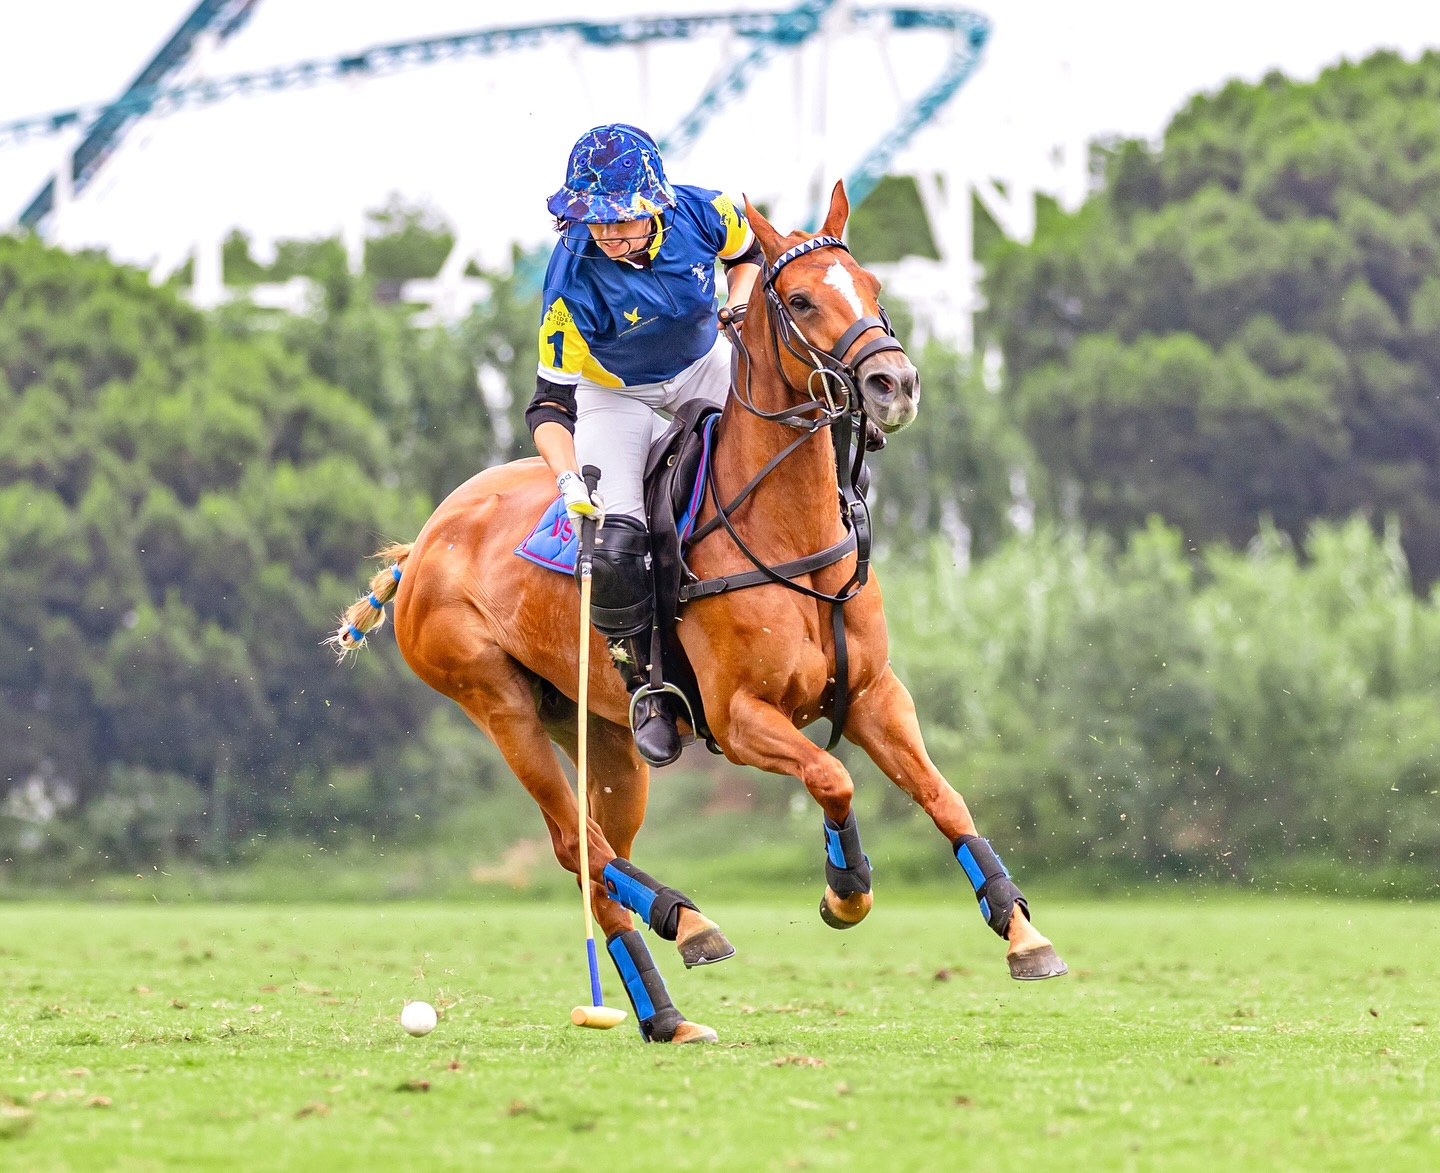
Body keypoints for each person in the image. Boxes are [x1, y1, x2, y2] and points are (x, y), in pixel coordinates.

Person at [525, 123, 762, 767]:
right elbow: (548, 405)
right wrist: (568, 478)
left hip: (704, 364)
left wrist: (736, 306)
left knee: (783, 440)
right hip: (616, 396)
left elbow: (749, 258)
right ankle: (647, 693)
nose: (606, 234)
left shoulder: (705, 211)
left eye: (620, 221)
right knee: (618, 541)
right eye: (594, 221)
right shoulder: (571, 281)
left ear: (655, 202)